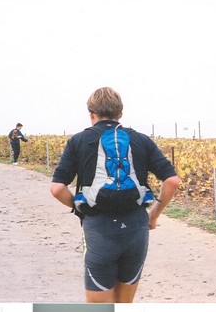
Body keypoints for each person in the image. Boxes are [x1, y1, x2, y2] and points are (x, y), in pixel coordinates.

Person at [50, 87, 179, 303]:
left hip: (99, 229)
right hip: (136, 227)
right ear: (120, 113)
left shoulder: (78, 141)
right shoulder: (141, 140)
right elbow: (172, 181)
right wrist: (154, 215)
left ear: (91, 114)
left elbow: (57, 189)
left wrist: (80, 208)